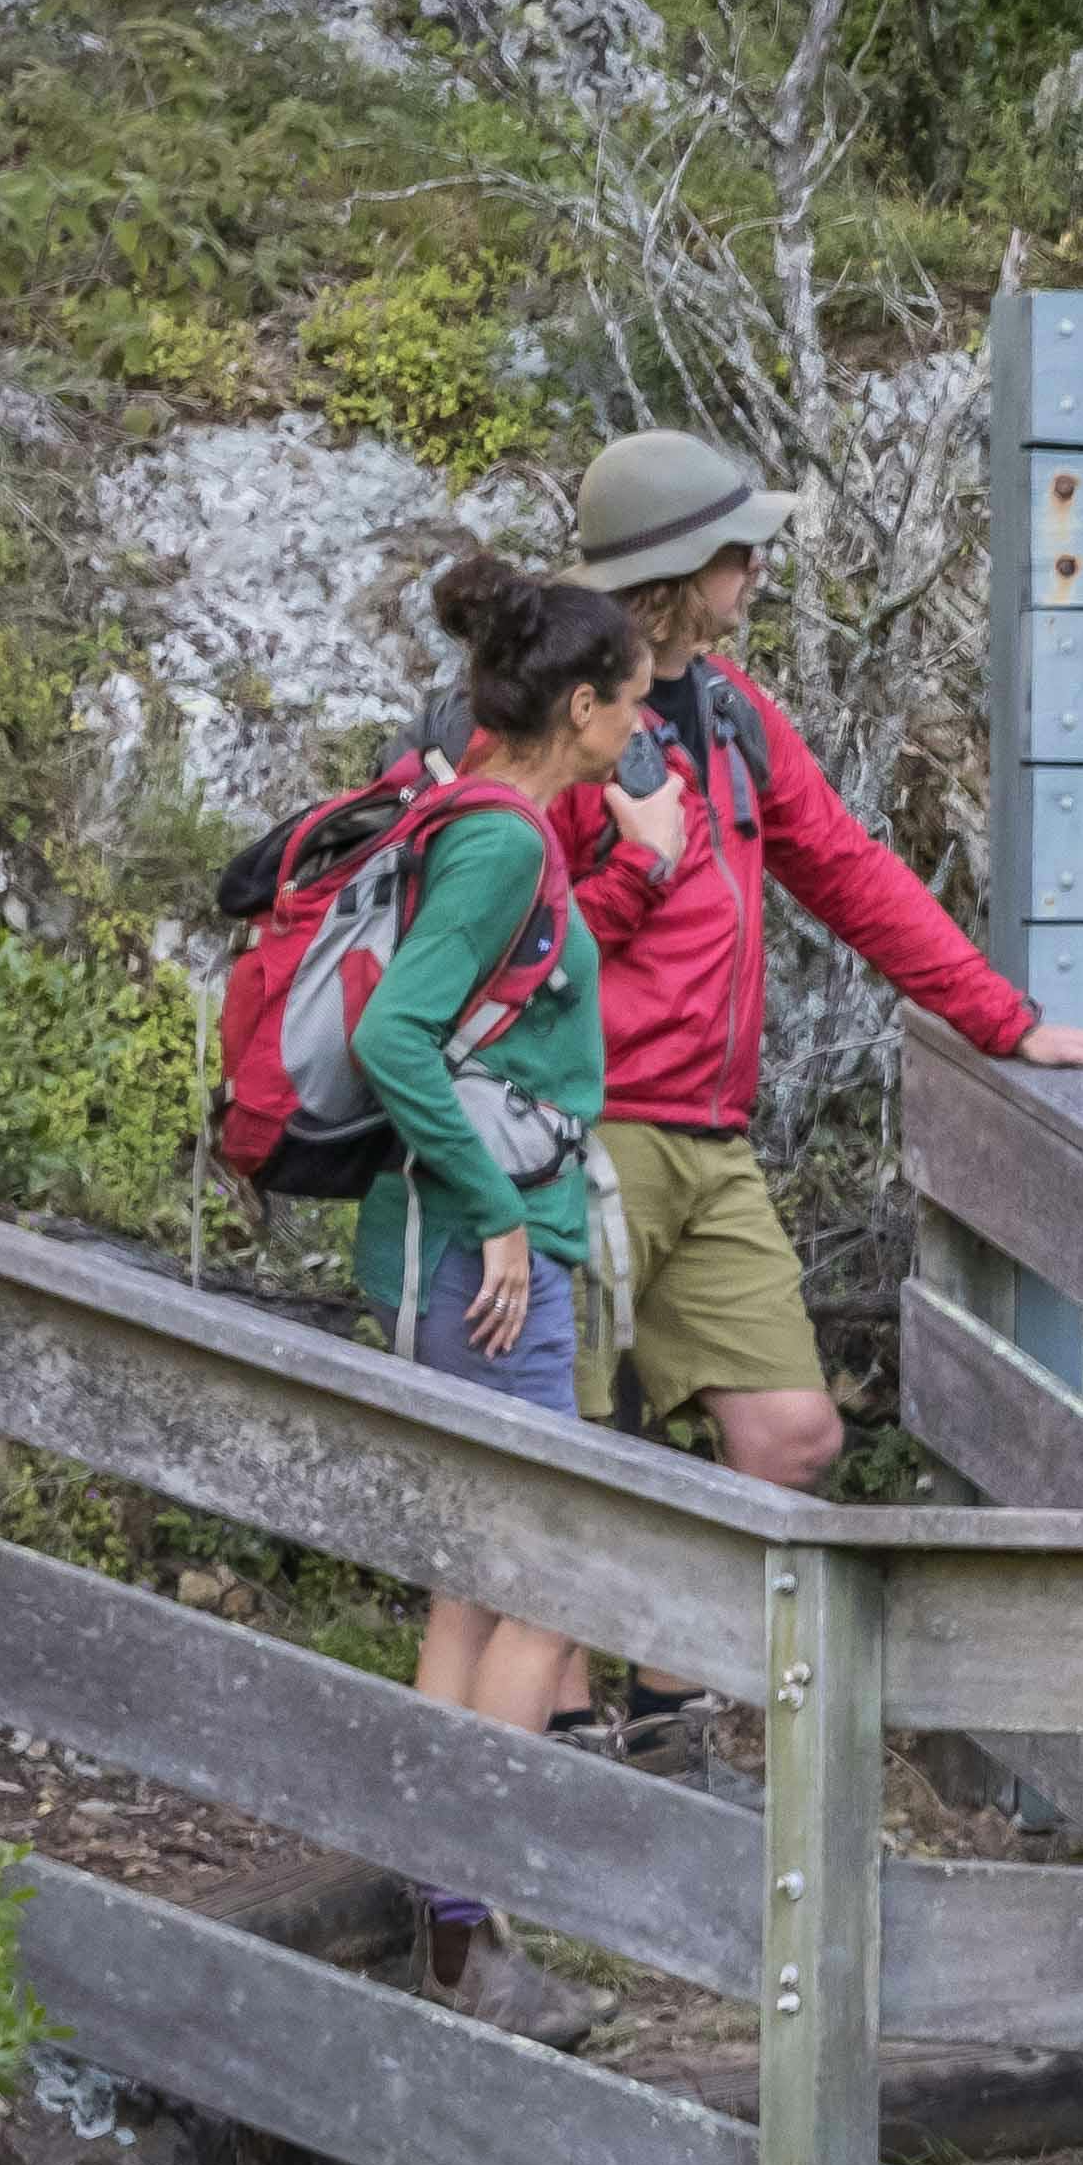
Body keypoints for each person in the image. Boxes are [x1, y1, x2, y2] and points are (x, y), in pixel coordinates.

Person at [536, 426, 1083, 1538]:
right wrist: (643, 867)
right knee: (559, 1459)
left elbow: (848, 871)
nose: (754, 570)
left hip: (708, 1138)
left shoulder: (730, 711)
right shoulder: (565, 722)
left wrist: (1002, 1020)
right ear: (668, 586)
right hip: (580, 1127)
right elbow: (511, 936)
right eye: (736, 554)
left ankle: (666, 1688)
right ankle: (546, 1722)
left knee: (791, 1438)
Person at [358, 550, 639, 2022]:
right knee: (542, 1582)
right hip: (487, 1259)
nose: (640, 730)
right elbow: (403, 1039)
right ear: (580, 707)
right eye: (629, 706)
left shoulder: (497, 822)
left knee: (477, 1583)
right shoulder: (504, 843)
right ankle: (474, 1922)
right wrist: (500, 1218)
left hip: (466, 1248)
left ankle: (445, 1916)